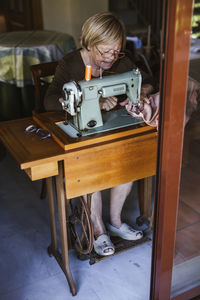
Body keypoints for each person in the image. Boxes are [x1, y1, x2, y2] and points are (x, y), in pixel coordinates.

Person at [44, 12, 154, 257]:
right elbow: (49, 99)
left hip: (110, 134)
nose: (111, 58)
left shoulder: (121, 62)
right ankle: (98, 229)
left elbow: (145, 82)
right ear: (90, 44)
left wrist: (142, 93)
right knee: (89, 169)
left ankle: (115, 222)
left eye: (116, 51)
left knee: (129, 162)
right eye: (105, 51)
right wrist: (85, 103)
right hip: (82, 136)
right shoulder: (71, 62)